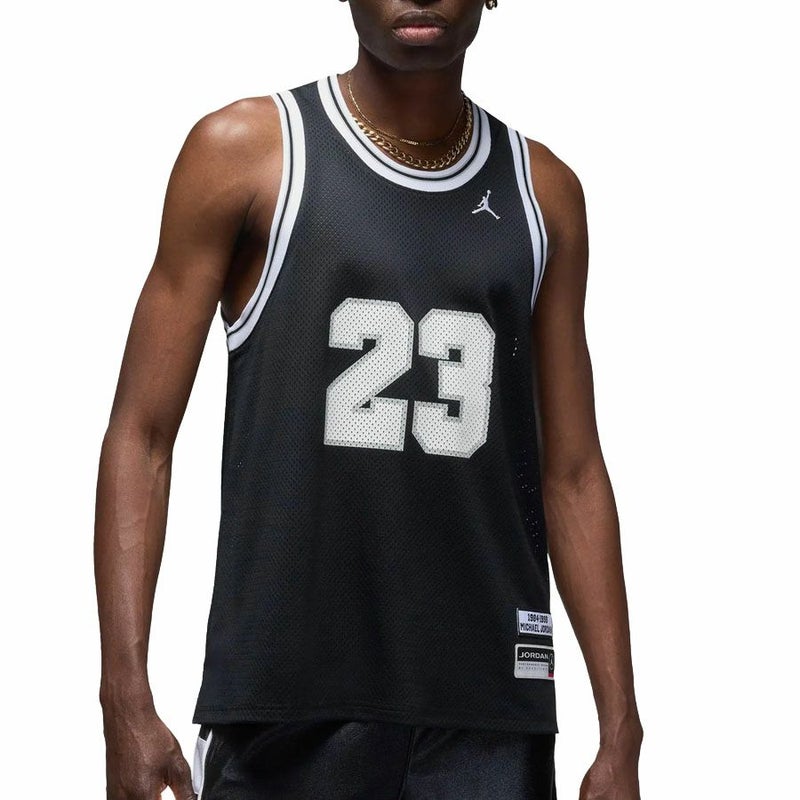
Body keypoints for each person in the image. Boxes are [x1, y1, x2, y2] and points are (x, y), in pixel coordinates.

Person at [94, 1, 643, 798]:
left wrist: (621, 730)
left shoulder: (543, 193)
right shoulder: (248, 152)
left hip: (489, 717)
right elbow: (140, 435)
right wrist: (124, 700)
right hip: (287, 709)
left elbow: (574, 472)